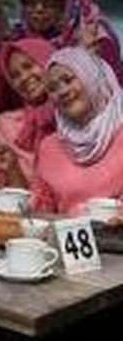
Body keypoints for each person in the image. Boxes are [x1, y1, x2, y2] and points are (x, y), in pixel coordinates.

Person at [30, 47, 123, 215]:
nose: (62, 92)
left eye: (68, 80)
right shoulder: (49, 147)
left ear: (91, 78)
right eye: (53, 88)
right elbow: (39, 212)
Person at [13, 0, 123, 83]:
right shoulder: (16, 40)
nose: (39, 9)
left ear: (67, 2)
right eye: (31, 1)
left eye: (49, 2)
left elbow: (111, 90)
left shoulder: (95, 38)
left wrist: (88, 61)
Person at [0, 38, 56, 190]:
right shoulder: (6, 124)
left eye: (28, 66)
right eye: (15, 75)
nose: (23, 77)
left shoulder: (75, 117)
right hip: (22, 209)